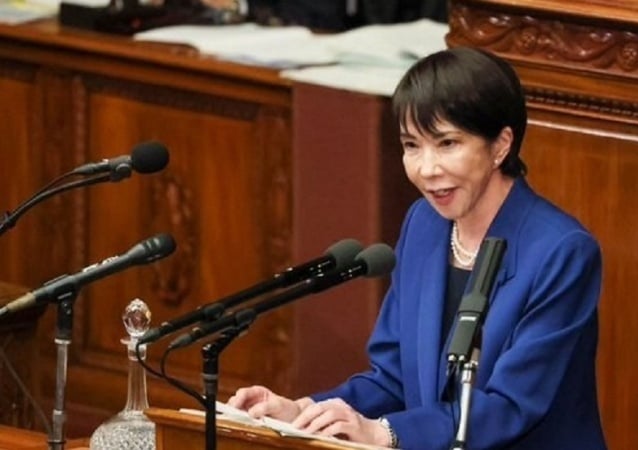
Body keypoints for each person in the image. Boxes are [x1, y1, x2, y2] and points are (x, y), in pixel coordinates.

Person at [227, 47, 607, 450]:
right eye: (412, 145)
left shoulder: (561, 252)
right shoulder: (424, 225)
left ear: (500, 146)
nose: (427, 169)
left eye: (447, 143)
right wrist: (303, 413)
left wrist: (385, 432)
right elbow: (392, 378)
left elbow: (510, 406)